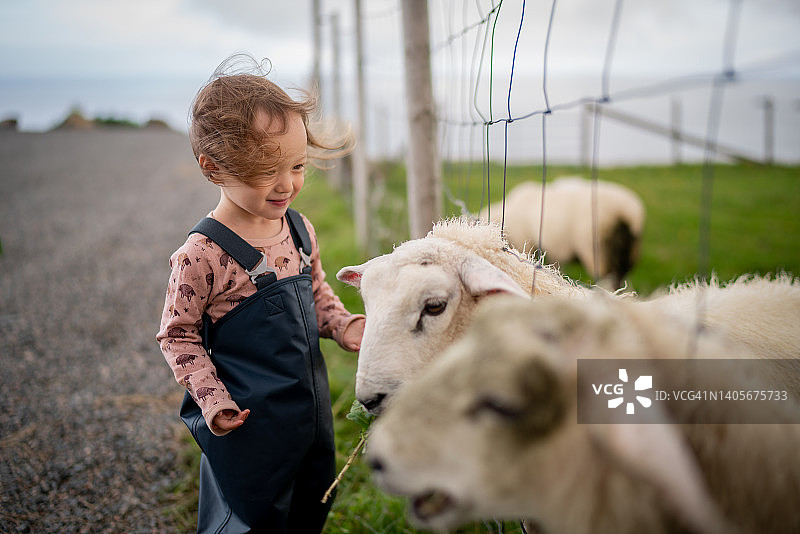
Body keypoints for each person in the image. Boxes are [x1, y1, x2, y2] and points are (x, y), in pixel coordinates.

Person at [156, 54, 365, 533]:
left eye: (296, 165)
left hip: (309, 416)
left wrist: (342, 322)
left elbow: (314, 293)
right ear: (213, 167)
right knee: (248, 516)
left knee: (310, 501)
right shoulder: (201, 255)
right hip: (246, 423)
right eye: (264, 170)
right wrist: (212, 400)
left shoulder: (298, 228)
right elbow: (178, 336)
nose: (286, 184)